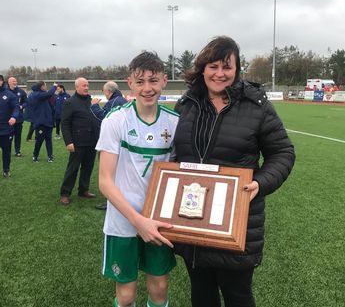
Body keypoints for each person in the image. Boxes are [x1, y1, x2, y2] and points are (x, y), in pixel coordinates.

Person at [173, 36, 295, 307]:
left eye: (227, 67)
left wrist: (260, 184)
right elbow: (173, 157)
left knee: (237, 295)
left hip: (237, 221)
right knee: (201, 294)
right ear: (202, 68)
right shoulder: (186, 105)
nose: (220, 74)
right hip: (192, 220)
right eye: (213, 66)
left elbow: (283, 153)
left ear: (237, 70)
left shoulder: (257, 106)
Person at [96, 52, 179, 307]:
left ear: (164, 81)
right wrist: (138, 221)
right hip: (123, 221)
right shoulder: (115, 120)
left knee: (159, 287)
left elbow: (179, 174)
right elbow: (105, 181)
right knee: (127, 294)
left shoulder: (175, 123)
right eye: (140, 81)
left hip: (159, 220)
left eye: (153, 81)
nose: (147, 88)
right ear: (129, 83)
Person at [59, 77, 99, 205]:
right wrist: (68, 142)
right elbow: (64, 124)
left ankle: (83, 190)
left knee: (88, 167)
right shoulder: (70, 102)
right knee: (73, 168)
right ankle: (65, 193)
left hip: (91, 141)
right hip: (77, 142)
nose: (86, 87)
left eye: (87, 85)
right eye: (83, 86)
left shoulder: (90, 101)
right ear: (77, 87)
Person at [91, 80, 127, 210]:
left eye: (104, 92)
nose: (104, 94)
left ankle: (111, 202)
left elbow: (105, 117)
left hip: (113, 143)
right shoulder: (121, 100)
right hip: (123, 141)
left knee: (110, 174)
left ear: (109, 91)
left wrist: (94, 106)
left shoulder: (114, 102)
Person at [28, 81, 57, 163]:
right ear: (41, 87)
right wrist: (54, 87)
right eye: (45, 86)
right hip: (40, 123)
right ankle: (35, 156)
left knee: (49, 140)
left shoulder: (43, 95)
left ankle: (50, 156)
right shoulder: (36, 94)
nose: (46, 87)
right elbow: (49, 94)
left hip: (48, 122)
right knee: (39, 141)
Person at [0, 75, 19, 177]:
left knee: (6, 151)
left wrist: (14, 117)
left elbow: (16, 107)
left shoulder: (10, 95)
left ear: (2, 81)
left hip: (5, 129)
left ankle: (6, 170)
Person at [7, 76, 27, 157]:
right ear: (9, 83)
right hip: (8, 118)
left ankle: (17, 151)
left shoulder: (21, 91)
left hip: (19, 118)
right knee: (8, 136)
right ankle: (7, 151)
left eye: (15, 81)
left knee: (18, 136)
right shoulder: (5, 91)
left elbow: (26, 102)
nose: (15, 82)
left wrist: (22, 106)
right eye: (13, 81)